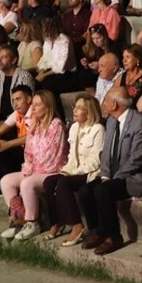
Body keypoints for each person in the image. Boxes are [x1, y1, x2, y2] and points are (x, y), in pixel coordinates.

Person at [77, 86, 142, 254]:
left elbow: (137, 158)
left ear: (114, 104)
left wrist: (115, 177)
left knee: (103, 190)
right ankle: (96, 231)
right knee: (85, 191)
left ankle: (113, 236)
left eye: (105, 100)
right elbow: (106, 152)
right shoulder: (112, 121)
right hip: (111, 174)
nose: (102, 104)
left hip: (133, 176)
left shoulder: (140, 122)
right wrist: (105, 174)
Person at [0, 90, 67, 242]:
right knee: (6, 181)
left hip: (52, 170)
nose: (33, 108)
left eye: (37, 105)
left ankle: (32, 222)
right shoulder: (35, 124)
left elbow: (51, 154)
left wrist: (33, 172)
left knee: (27, 182)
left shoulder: (56, 126)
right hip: (35, 169)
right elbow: (28, 151)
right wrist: (29, 167)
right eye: (33, 104)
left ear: (47, 107)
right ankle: (18, 219)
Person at [42, 95, 105, 244]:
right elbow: (72, 157)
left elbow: (95, 162)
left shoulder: (98, 129)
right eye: (74, 107)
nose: (74, 110)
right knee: (50, 182)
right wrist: (66, 170)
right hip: (75, 171)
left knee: (63, 183)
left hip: (90, 173)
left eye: (79, 108)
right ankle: (56, 223)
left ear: (89, 112)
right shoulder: (75, 127)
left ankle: (77, 226)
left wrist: (71, 174)